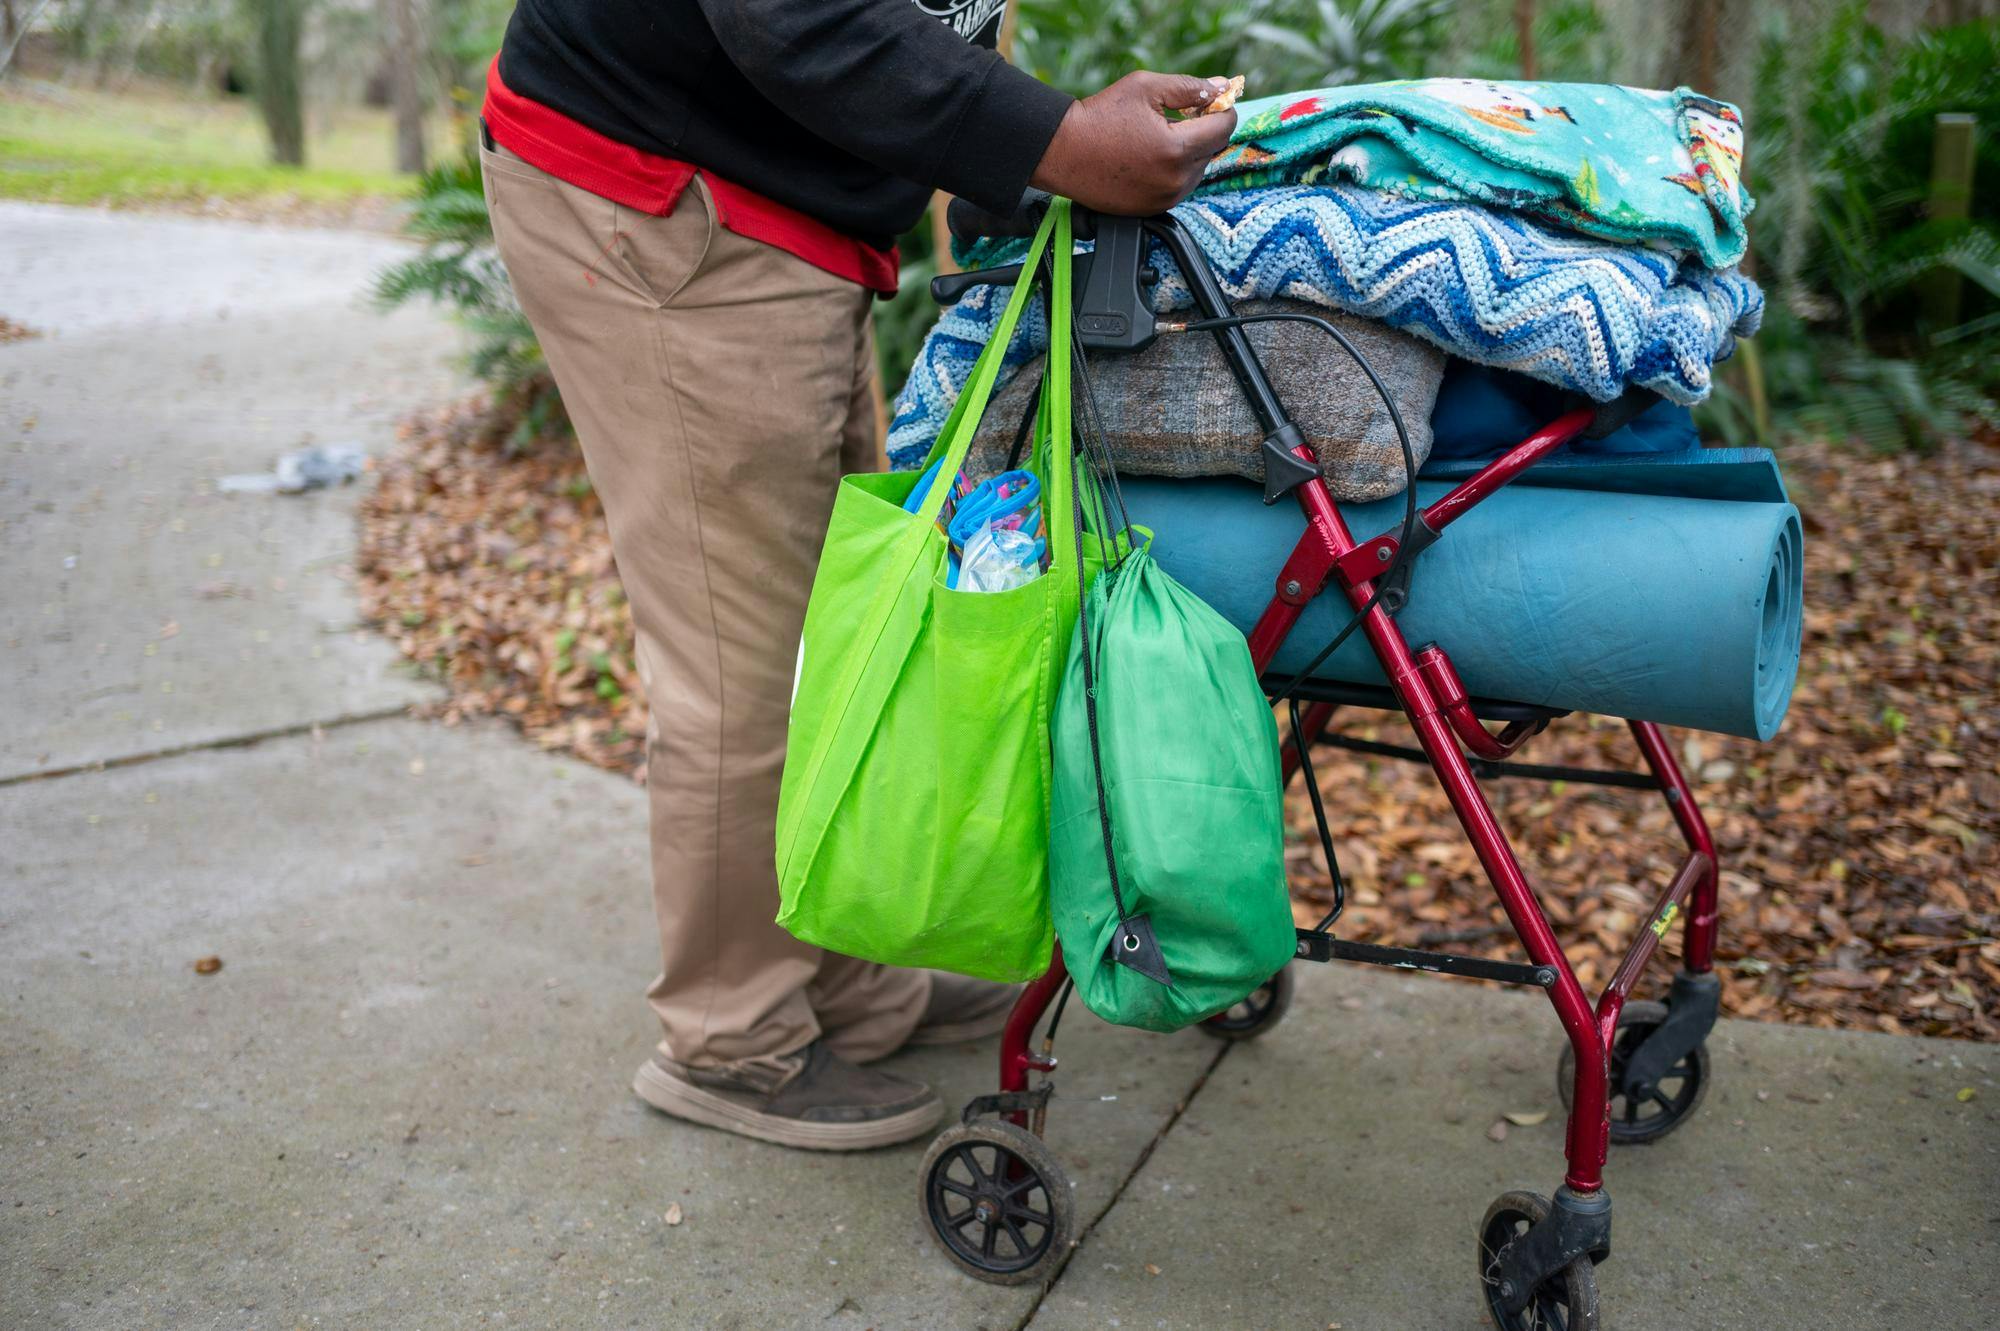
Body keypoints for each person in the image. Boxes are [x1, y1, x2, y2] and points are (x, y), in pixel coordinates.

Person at [479, 0, 1236, 1151]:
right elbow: (800, 17)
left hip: (791, 200)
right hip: (662, 186)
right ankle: (731, 1038)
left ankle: (843, 977)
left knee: (831, 617)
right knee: (742, 658)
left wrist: (1015, 159)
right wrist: (1063, 141)